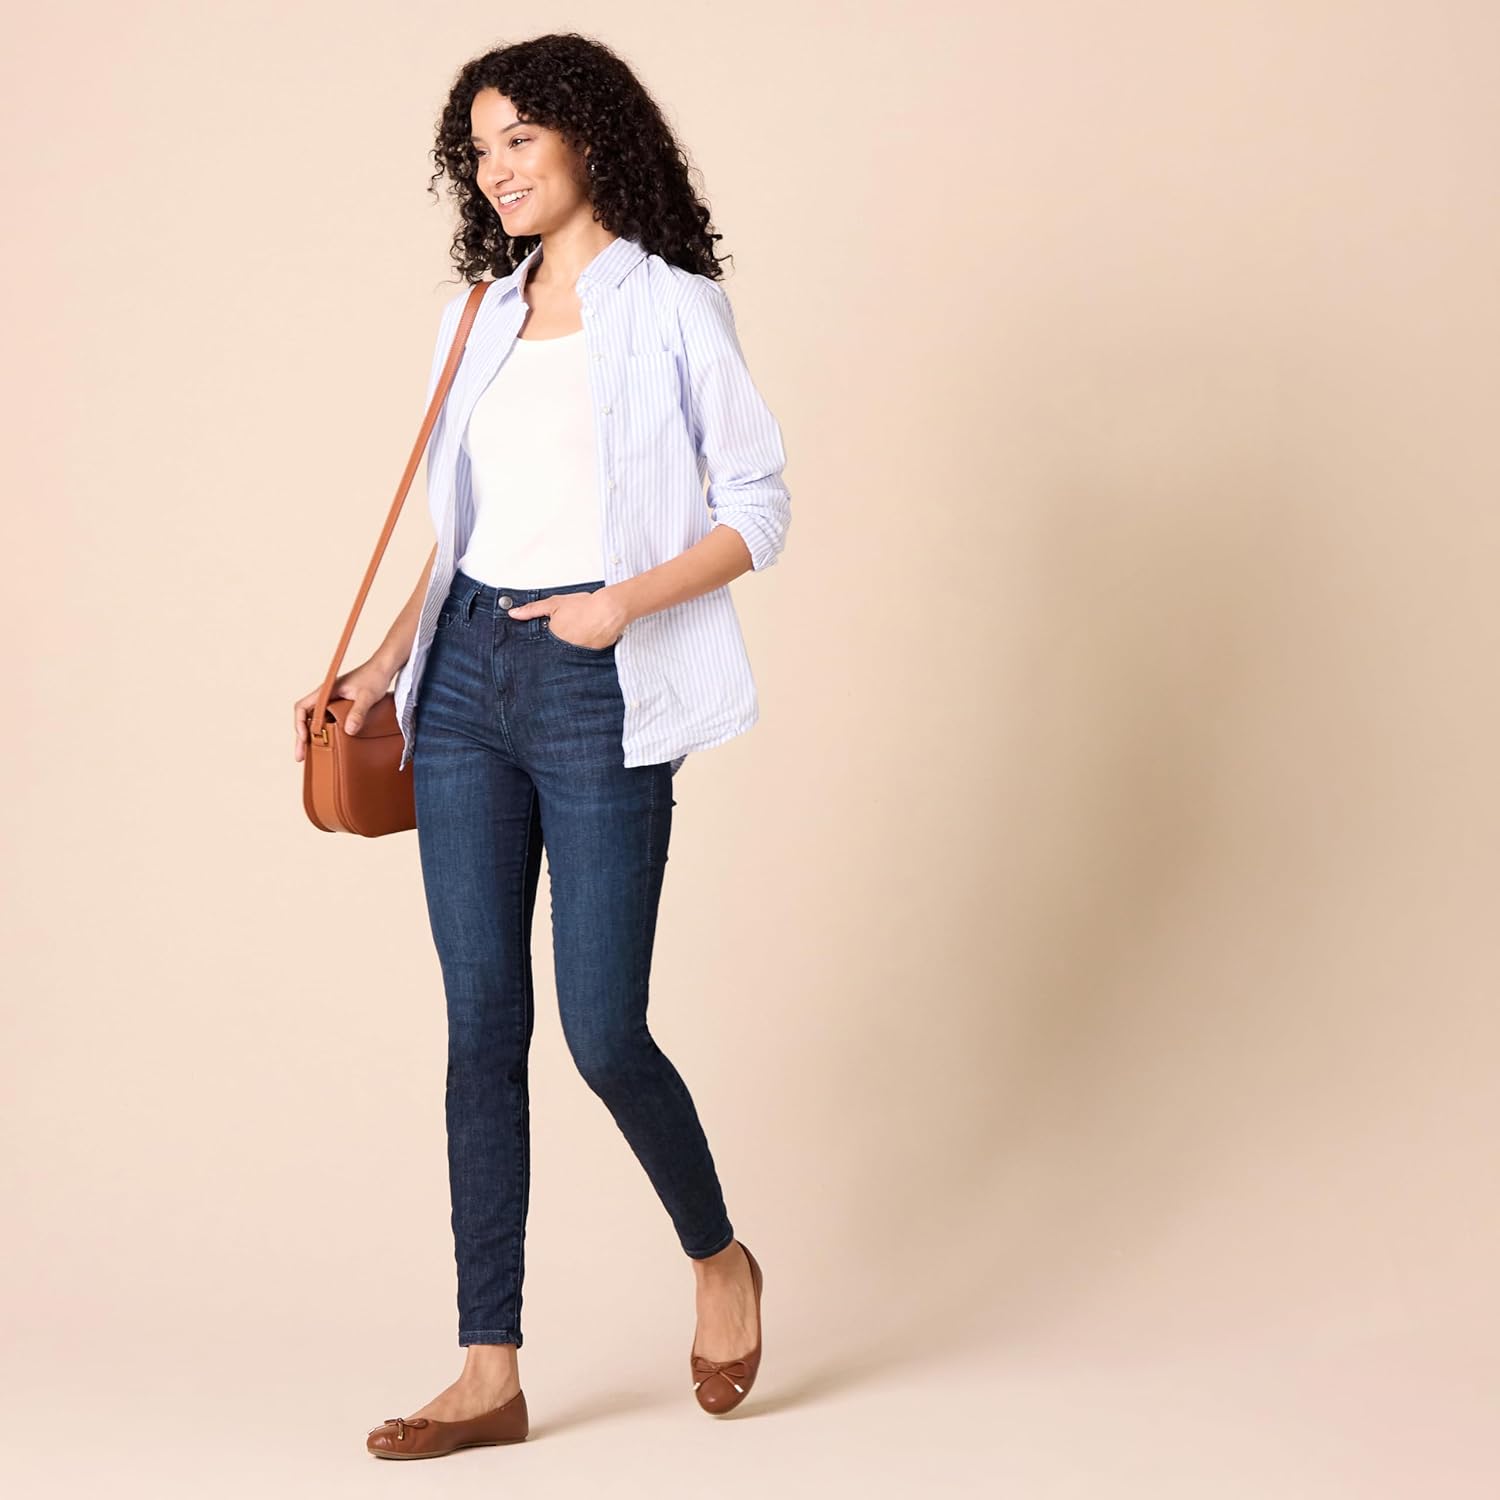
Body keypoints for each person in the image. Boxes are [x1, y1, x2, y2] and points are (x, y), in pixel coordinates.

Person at [292, 32, 789, 1460]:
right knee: (479, 1029)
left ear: (589, 137)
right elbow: (466, 528)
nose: (499, 168)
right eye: (481, 147)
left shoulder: (672, 307)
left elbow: (760, 507)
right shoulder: (478, 319)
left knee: (602, 1028)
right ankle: (488, 1366)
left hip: (596, 680)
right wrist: (389, 663)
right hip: (461, 680)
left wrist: (620, 605)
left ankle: (719, 1256)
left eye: (522, 137)